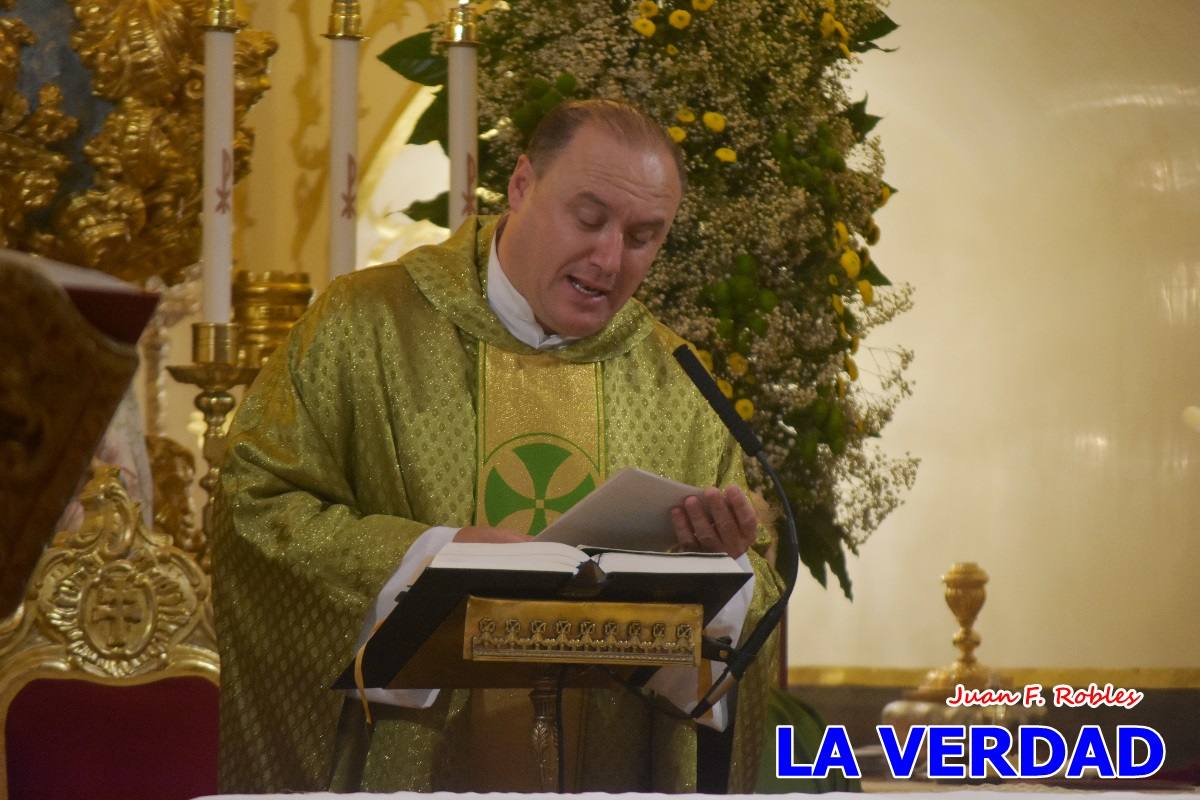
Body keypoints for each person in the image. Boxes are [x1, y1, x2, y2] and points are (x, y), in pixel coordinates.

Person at [212, 99, 785, 794]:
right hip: (413, 769)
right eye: (589, 217)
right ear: (520, 186)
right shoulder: (363, 327)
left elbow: (751, 608)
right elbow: (253, 510)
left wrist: (710, 584)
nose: (610, 258)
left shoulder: (676, 379)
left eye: (643, 235)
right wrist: (430, 560)